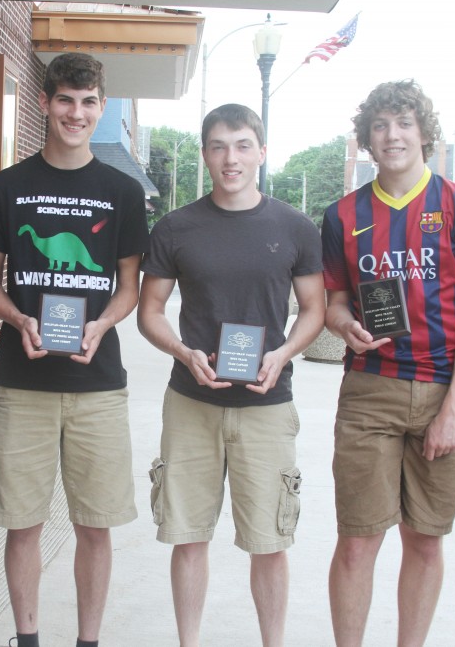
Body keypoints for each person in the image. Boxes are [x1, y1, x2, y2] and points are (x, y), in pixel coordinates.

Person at [0, 52, 149, 647]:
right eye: (65, 101)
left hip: (97, 382)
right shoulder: (4, 188)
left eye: (88, 102)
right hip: (22, 383)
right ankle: (27, 637)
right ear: (47, 103)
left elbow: (128, 287)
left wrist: (100, 325)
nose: (76, 113)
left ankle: (88, 640)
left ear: (100, 108)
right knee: (21, 524)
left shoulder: (123, 192)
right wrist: (20, 316)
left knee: (94, 525)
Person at [138, 103, 325, 647]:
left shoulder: (293, 226)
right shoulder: (176, 227)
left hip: (267, 405)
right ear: (205, 155)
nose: (231, 157)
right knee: (187, 536)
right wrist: (182, 350)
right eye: (219, 146)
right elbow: (150, 310)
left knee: (269, 541)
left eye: (242, 145)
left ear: (262, 152)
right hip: (191, 402)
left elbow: (313, 308)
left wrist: (282, 353)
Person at [321, 80, 455, 646]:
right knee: (358, 539)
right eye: (380, 125)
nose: (392, 134)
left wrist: (454, 409)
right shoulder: (343, 215)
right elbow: (333, 301)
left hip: (443, 388)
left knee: (424, 539)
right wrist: (342, 321)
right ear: (367, 140)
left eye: (403, 122)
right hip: (371, 388)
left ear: (424, 131)